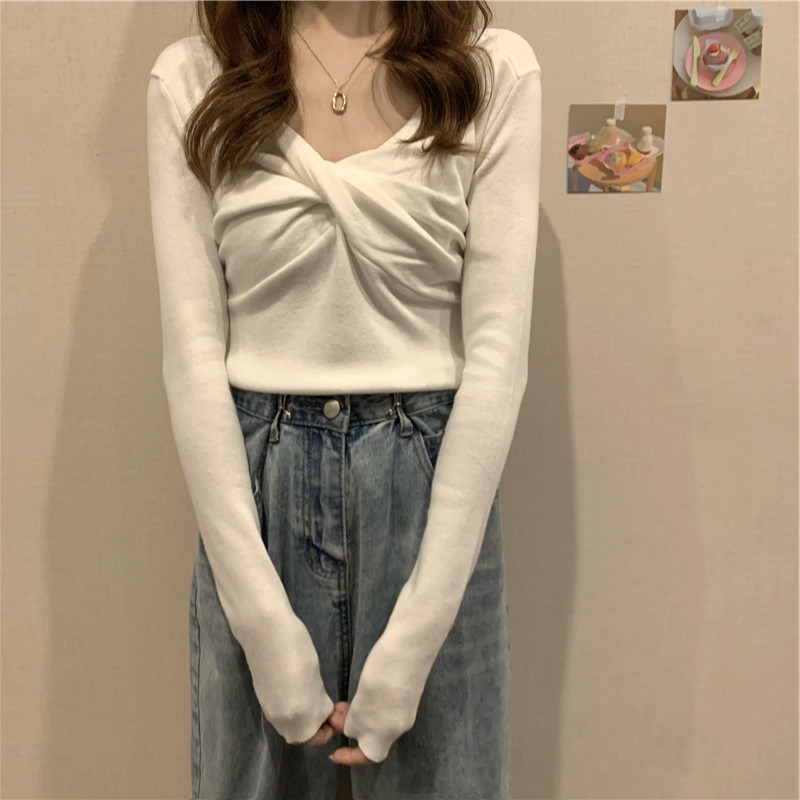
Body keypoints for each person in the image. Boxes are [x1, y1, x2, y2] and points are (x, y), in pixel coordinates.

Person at [146, 1, 542, 798]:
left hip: (431, 499)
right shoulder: (193, 79)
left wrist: (419, 633)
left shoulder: (491, 72)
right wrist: (262, 624)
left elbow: (499, 356)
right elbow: (191, 356)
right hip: (256, 503)